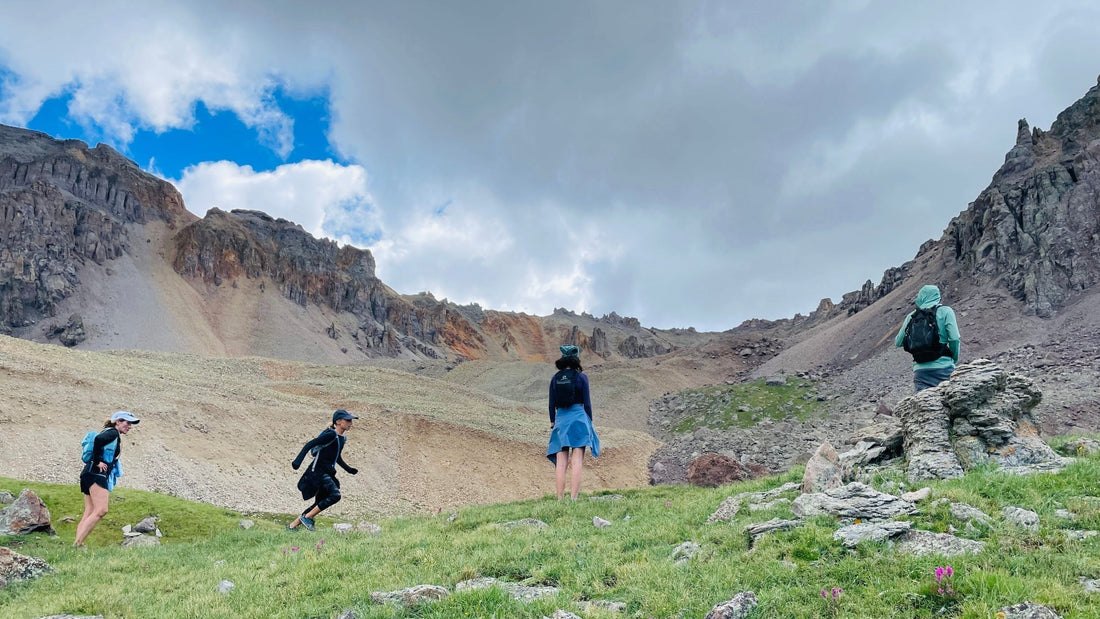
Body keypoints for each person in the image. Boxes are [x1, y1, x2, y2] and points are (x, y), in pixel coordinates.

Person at [74, 410, 140, 547]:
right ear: (118, 421)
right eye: (127, 422)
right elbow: (98, 440)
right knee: (101, 510)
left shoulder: (107, 431)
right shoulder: (113, 433)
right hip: (97, 474)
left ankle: (78, 544)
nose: (129, 426)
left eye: (130, 424)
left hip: (88, 473)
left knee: (90, 511)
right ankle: (78, 543)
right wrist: (98, 460)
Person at [287, 409, 359, 531]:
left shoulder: (342, 439)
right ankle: (307, 518)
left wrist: (349, 469)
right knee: (335, 495)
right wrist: (297, 462)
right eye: (348, 420)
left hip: (327, 472)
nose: (350, 423)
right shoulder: (330, 434)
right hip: (317, 472)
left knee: (319, 503)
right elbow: (309, 444)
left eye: (351, 420)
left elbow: (337, 457)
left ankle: (291, 527)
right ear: (338, 421)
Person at [546, 345, 600, 500]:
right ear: (576, 359)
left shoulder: (555, 378)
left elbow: (551, 404)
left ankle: (560, 499)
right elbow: (587, 403)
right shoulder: (581, 377)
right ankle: (574, 499)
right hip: (578, 419)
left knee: (561, 463)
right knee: (577, 461)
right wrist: (589, 420)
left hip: (561, 420)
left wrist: (552, 421)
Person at [895, 284, 961, 392]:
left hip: (920, 371)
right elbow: (954, 338)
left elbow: (898, 342)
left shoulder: (912, 316)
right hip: (944, 368)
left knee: (924, 406)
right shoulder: (946, 311)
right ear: (937, 296)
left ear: (921, 297)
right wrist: (954, 359)